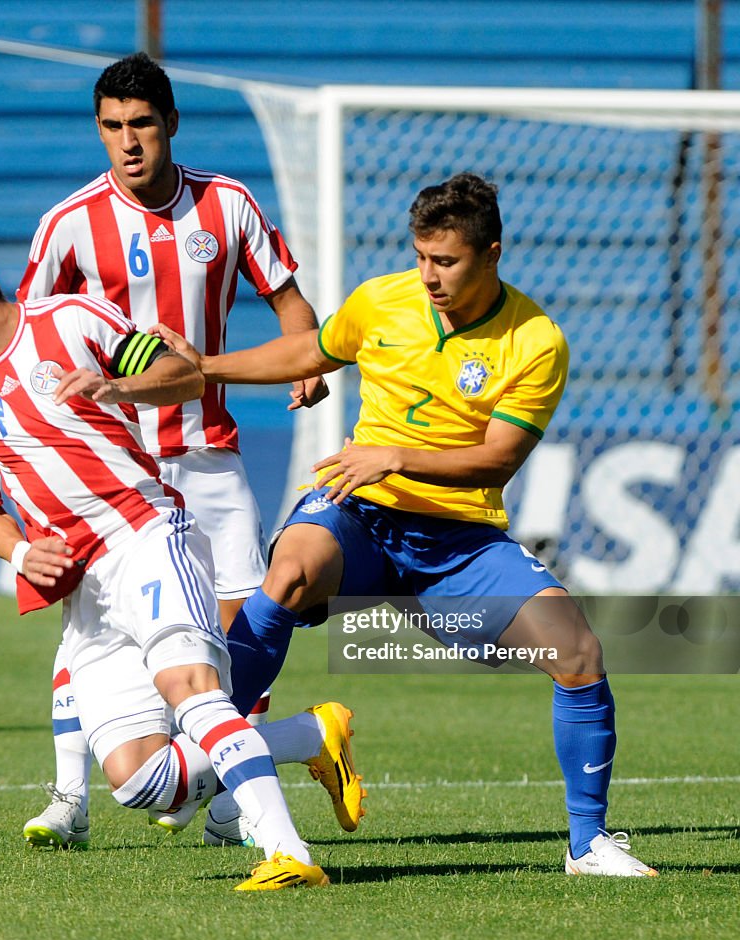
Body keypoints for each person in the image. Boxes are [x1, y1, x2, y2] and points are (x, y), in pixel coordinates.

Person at [156, 172, 658, 878]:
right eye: (422, 257)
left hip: (457, 540)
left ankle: (588, 844)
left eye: (446, 261)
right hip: (358, 515)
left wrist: (395, 455)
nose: (429, 275)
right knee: (290, 571)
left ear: (491, 253)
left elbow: (496, 460)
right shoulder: (382, 300)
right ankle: (206, 756)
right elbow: (309, 352)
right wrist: (206, 364)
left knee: (577, 651)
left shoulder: (536, 339)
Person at [0, 232, 365, 891]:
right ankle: (309, 735)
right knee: (143, 781)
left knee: (194, 693)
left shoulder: (71, 319)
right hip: (86, 589)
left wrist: (118, 387)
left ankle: (290, 853)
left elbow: (182, 372)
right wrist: (24, 550)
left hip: (146, 534)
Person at [17, 51, 328, 847]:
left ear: (170, 124)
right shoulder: (67, 225)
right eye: (113, 127)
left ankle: (232, 795)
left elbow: (294, 310)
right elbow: (25, 341)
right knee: (91, 628)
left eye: (142, 125)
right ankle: (68, 798)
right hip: (113, 469)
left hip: (207, 456)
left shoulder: (227, 205)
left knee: (239, 637)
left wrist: (307, 369)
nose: (128, 143)